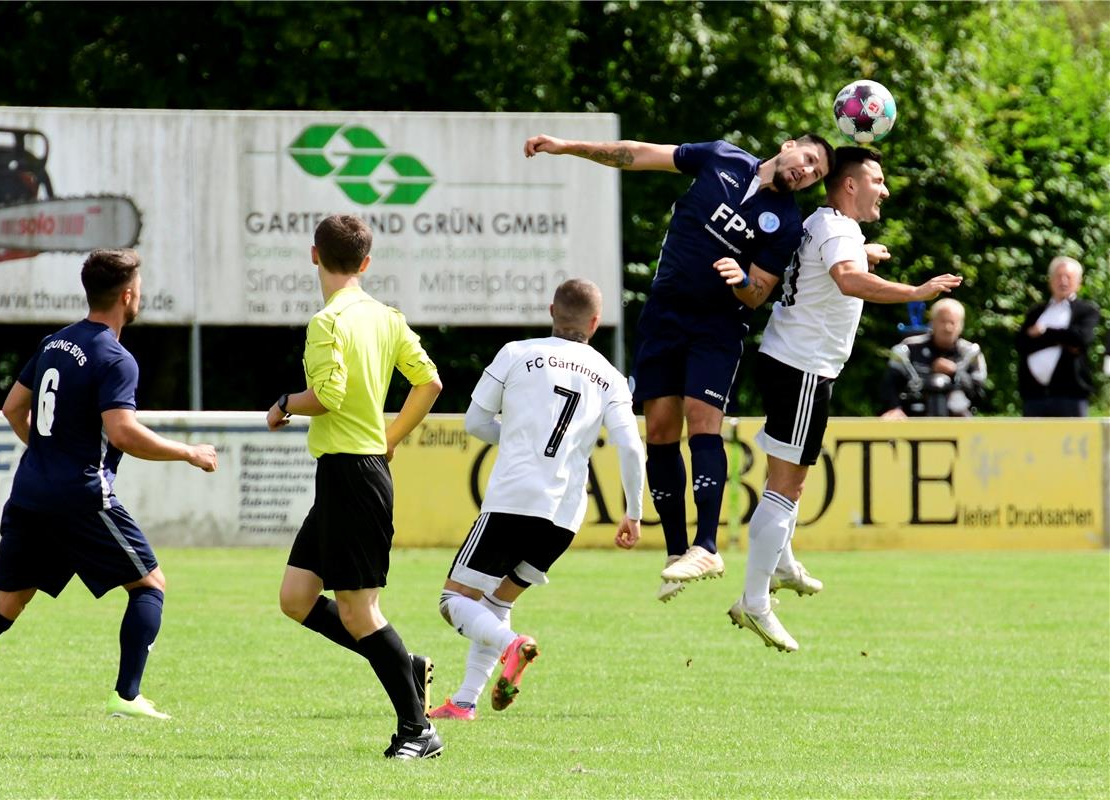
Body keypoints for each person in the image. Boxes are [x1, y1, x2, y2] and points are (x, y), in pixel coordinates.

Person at [524, 130, 834, 603]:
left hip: (716, 327)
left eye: (817, 174)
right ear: (788, 145)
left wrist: (741, 280)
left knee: (701, 418)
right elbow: (637, 154)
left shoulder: (786, 223)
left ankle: (706, 546)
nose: (807, 172)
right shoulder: (720, 157)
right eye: (808, 159)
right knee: (661, 431)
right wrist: (568, 147)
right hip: (664, 313)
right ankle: (676, 555)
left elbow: (759, 292)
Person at [0, 249, 219, 718]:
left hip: (31, 493)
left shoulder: (55, 343)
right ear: (129, 295)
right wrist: (188, 452)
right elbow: (121, 431)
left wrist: (44, 452)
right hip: (82, 496)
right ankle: (128, 697)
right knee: (149, 584)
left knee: (5, 603)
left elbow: (13, 408)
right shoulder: (116, 357)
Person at [716, 147, 961, 652]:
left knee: (787, 484)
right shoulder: (838, 230)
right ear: (850, 186)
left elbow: (827, 262)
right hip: (802, 369)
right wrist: (917, 291)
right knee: (786, 488)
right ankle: (755, 602)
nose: (885, 189)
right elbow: (847, 279)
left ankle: (780, 565)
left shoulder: (821, 223)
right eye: (877, 179)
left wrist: (864, 253)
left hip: (788, 361)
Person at [266, 214, 445, 760]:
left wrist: (283, 406)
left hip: (352, 476)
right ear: (365, 263)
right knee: (297, 599)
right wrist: (390, 436)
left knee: (359, 611)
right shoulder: (386, 317)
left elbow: (327, 395)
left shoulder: (328, 321)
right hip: (351, 473)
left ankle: (418, 731)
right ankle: (402, 662)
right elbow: (430, 381)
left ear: (313, 255)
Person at [426, 278, 644, 721]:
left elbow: (475, 421)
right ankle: (465, 702)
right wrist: (633, 513)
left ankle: (513, 645)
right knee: (497, 603)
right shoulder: (611, 376)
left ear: (551, 311)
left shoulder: (517, 353)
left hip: (513, 499)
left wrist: (516, 438)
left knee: (454, 602)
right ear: (596, 322)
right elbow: (632, 447)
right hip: (564, 515)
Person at [1015, 256, 1101, 417]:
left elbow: (1080, 339)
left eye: (1068, 277)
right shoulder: (1036, 311)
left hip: (1071, 396)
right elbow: (1021, 343)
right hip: (1035, 396)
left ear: (1078, 282)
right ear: (1050, 280)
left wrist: (1044, 333)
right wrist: (1062, 340)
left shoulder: (1086, 310)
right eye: (1058, 276)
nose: (1063, 281)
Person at [880, 298, 988, 418]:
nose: (947, 328)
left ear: (961, 326)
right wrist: (895, 408)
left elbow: (980, 392)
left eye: (952, 322)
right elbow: (889, 385)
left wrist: (955, 373)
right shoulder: (908, 349)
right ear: (932, 322)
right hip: (912, 418)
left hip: (958, 420)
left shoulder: (970, 352)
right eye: (943, 321)